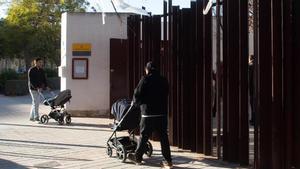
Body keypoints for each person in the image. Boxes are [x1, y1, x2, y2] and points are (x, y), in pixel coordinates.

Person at [128, 61, 173, 168]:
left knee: (144, 136)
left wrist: (137, 103)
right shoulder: (163, 80)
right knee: (163, 137)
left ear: (148, 69)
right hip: (161, 114)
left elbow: (137, 93)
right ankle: (168, 161)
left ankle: (138, 157)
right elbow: (166, 93)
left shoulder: (145, 79)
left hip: (148, 114)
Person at [28, 58, 49, 122]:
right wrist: (36, 87)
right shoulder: (31, 70)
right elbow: (31, 81)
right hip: (33, 89)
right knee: (36, 103)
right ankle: (36, 117)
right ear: (35, 63)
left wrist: (46, 86)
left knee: (35, 102)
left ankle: (31, 117)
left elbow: (44, 79)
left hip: (39, 89)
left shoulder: (41, 70)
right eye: (39, 62)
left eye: (41, 62)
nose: (41, 63)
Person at [249, 55, 256, 126]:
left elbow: (249, 79)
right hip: (257, 90)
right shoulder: (258, 66)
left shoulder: (250, 67)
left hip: (252, 90)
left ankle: (253, 120)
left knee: (252, 105)